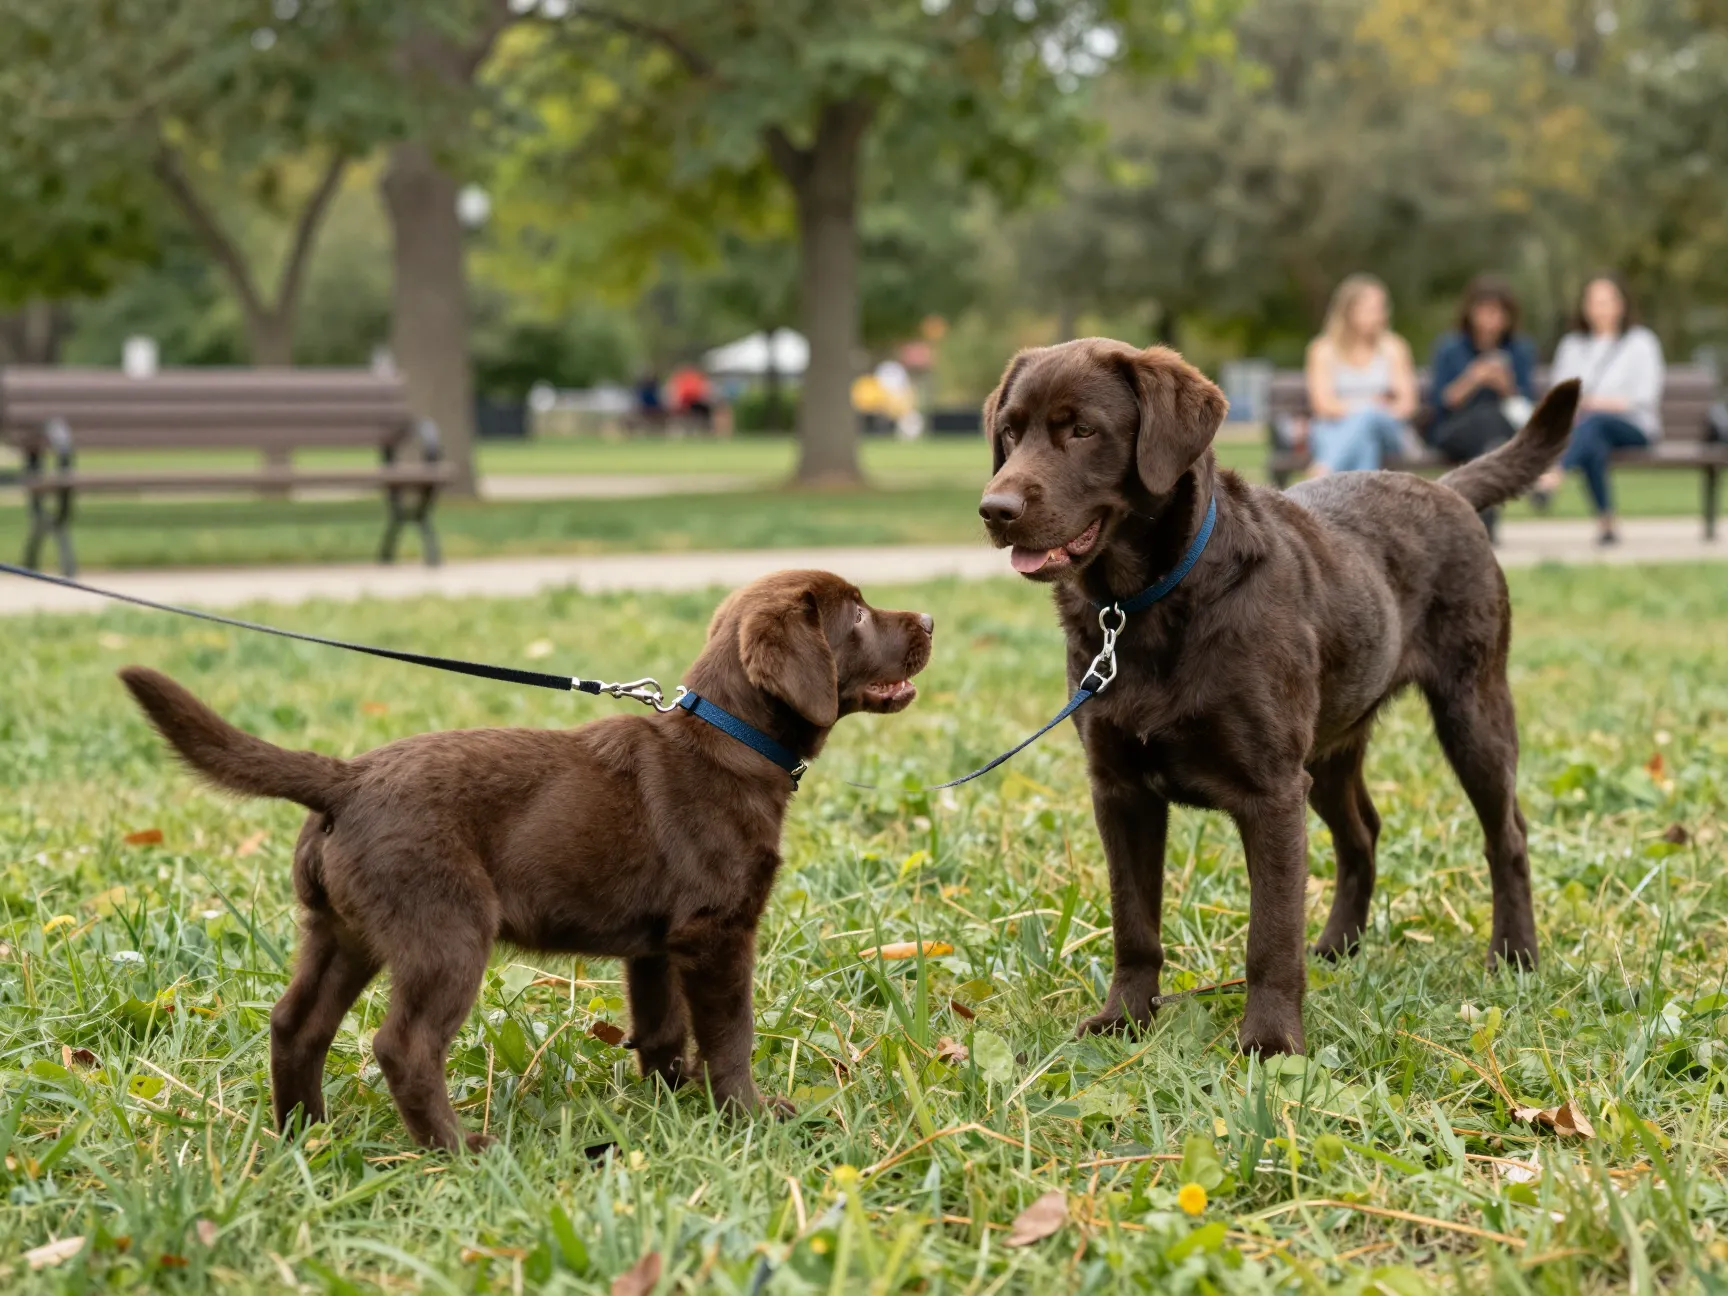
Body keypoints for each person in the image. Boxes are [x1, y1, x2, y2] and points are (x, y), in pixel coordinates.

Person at [1538, 274, 1665, 545]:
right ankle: (1607, 524)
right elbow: (1560, 394)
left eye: (1607, 301)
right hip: (1586, 428)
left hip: (1634, 426)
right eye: (1595, 301)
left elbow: (1643, 397)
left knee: (1594, 424)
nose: (1601, 308)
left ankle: (1553, 476)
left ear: (1621, 305)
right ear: (1585, 306)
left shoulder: (1641, 342)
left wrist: (1594, 402)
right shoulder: (1572, 345)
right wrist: (1588, 405)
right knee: (1593, 440)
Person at [1303, 274, 1419, 474]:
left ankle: (1323, 470)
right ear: (1348, 312)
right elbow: (1322, 405)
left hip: (1388, 430)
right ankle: (1361, 502)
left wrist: (1370, 411)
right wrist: (1368, 407)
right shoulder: (1322, 350)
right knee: (1365, 439)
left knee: (1369, 417)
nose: (1380, 315)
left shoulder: (1394, 348)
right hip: (1334, 429)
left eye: (1382, 308)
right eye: (1372, 309)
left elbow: (1406, 405)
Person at [1428, 275, 1537, 463]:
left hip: (1505, 426)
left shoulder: (1520, 350)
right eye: (1485, 311)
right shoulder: (1450, 348)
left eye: (1497, 312)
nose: (1490, 320)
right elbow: (1441, 403)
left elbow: (1526, 408)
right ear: (1470, 313)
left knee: (1495, 419)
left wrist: (1506, 386)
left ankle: (1493, 460)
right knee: (1487, 418)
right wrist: (1474, 378)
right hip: (1457, 428)